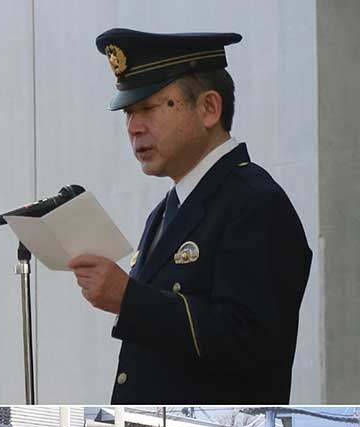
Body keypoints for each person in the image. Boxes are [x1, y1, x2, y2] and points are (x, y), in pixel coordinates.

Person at [71, 29, 310, 403]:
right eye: (129, 113)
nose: (134, 127)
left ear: (209, 108)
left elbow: (250, 342)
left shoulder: (255, 202)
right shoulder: (165, 211)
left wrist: (129, 299)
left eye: (148, 107)